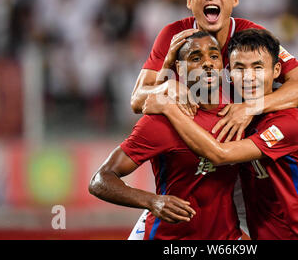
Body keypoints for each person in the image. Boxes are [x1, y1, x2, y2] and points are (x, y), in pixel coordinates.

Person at [143, 29, 298, 240]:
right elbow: (147, 99)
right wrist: (169, 74)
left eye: (258, 67)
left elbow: (221, 155)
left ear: (276, 70)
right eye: (239, 68)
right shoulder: (230, 103)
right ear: (229, 73)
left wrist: (169, 108)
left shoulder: (287, 123)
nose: (248, 77)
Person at [130, 0, 298, 143]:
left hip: (239, 148)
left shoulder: (253, 36)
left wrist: (252, 106)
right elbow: (137, 100)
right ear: (189, 0)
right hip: (192, 146)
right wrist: (167, 86)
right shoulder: (173, 35)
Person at [89, 32, 243, 240]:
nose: (207, 63)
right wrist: (152, 201)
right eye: (196, 58)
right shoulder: (161, 120)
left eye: (214, 56)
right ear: (180, 69)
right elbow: (100, 180)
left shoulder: (239, 116)